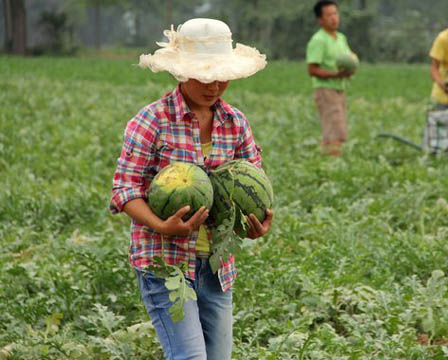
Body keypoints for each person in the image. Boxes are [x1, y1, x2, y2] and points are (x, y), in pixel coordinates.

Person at [109, 18, 274, 360]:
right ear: (182, 73)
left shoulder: (236, 124)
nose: (214, 85)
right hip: (164, 263)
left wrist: (256, 224)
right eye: (204, 75)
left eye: (221, 76)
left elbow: (253, 182)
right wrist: (161, 225)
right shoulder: (151, 121)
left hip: (217, 268)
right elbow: (124, 189)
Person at [306, 0, 355, 156]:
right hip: (326, 90)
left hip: (339, 88)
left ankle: (324, 161)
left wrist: (351, 67)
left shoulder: (341, 38)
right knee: (335, 132)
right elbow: (312, 69)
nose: (334, 18)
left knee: (332, 131)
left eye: (335, 13)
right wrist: (336, 75)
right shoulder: (318, 40)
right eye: (329, 15)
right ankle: (332, 165)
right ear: (320, 20)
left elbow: (349, 58)